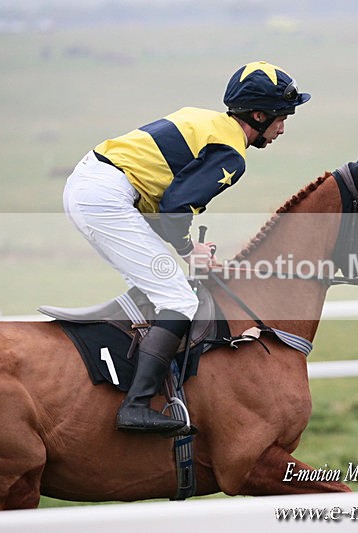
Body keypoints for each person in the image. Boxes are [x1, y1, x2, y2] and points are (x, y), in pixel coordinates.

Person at [63, 61, 310, 436]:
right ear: (258, 115)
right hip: (106, 197)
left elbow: (165, 203)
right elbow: (174, 209)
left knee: (162, 287)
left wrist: (186, 245)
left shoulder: (204, 119)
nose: (282, 128)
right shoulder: (231, 154)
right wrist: (187, 248)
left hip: (95, 185)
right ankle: (135, 404)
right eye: (280, 118)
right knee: (179, 299)